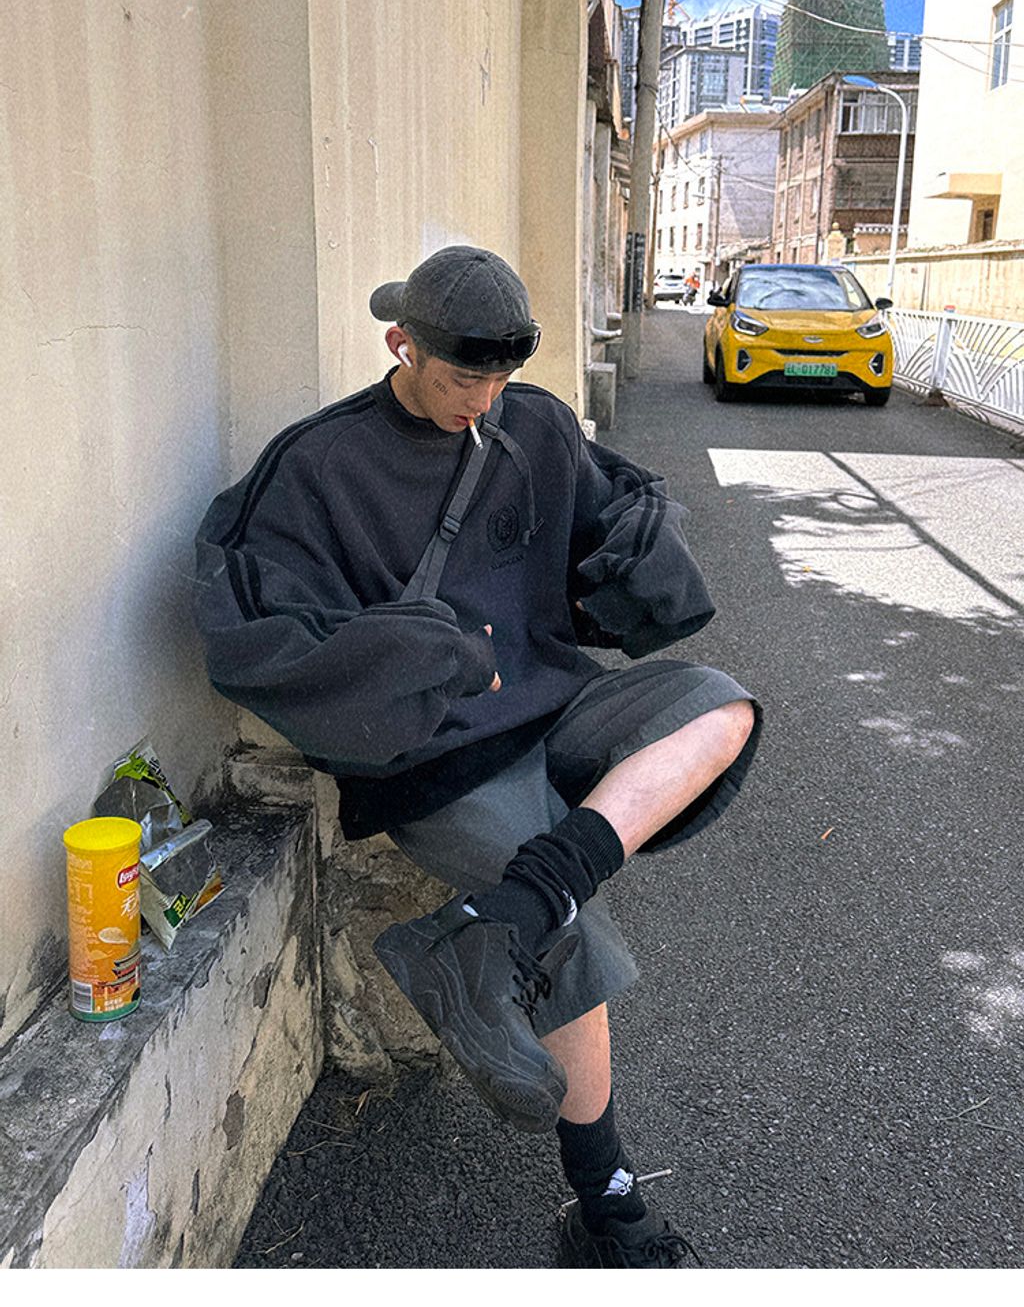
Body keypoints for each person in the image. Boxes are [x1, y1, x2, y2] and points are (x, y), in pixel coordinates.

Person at [193, 245, 761, 1269]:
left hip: (556, 704)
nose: (485, 398)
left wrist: (640, 549)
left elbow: (610, 513)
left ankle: (517, 909)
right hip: (437, 751)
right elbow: (251, 632)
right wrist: (422, 653)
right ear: (401, 344)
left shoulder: (532, 423)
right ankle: (607, 1199)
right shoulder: (318, 465)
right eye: (466, 376)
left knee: (720, 710)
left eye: (503, 374)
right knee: (569, 939)